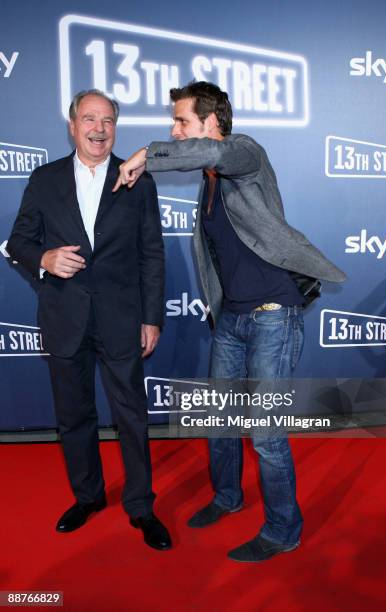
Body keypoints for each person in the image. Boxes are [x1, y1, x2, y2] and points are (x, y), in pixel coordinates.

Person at [113, 81, 346, 562]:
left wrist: (143, 155)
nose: (174, 130)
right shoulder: (209, 181)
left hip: (272, 318)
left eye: (181, 121)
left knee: (264, 432)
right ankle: (227, 497)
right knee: (220, 420)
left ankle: (284, 529)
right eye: (173, 122)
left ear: (211, 123)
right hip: (234, 320)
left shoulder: (245, 154)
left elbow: (218, 154)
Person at [7, 89, 171, 551]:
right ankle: (88, 497)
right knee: (73, 416)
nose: (98, 129)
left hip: (123, 318)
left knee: (132, 417)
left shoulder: (137, 179)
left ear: (115, 127)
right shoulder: (44, 180)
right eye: (89, 119)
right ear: (72, 125)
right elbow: (18, 241)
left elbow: (152, 254)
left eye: (107, 121)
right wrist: (45, 256)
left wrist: (151, 317)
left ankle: (141, 507)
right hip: (64, 316)